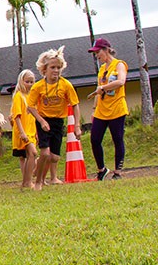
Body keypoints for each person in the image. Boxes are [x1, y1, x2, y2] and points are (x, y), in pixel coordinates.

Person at [28, 47, 80, 188]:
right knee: (45, 153)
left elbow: (75, 104)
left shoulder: (66, 85)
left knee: (54, 157)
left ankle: (40, 170)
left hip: (58, 121)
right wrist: (41, 121)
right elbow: (30, 106)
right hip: (43, 120)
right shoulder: (38, 87)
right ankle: (38, 182)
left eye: (58, 67)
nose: (56, 70)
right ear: (44, 69)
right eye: (52, 67)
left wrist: (77, 126)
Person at [87, 38, 128, 180]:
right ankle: (102, 169)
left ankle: (118, 172)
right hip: (101, 109)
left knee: (117, 139)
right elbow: (98, 90)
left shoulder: (119, 64)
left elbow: (121, 81)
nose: (97, 56)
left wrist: (104, 87)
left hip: (116, 108)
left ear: (106, 50)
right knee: (95, 139)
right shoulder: (102, 69)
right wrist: (94, 109)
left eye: (98, 52)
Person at [9, 69, 39, 189]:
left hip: (31, 131)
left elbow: (34, 117)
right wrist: (22, 132)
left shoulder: (31, 98)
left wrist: (36, 132)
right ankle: (27, 181)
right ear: (21, 81)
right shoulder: (18, 96)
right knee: (33, 153)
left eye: (32, 82)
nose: (30, 84)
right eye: (27, 82)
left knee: (29, 155)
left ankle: (26, 181)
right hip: (22, 131)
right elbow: (16, 116)